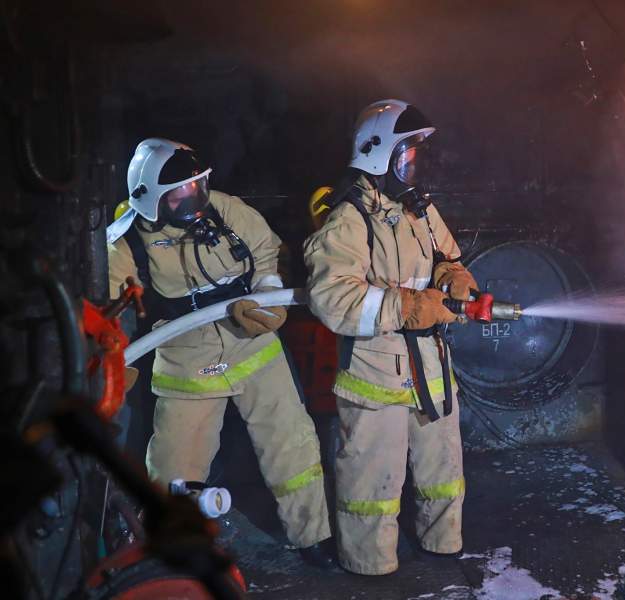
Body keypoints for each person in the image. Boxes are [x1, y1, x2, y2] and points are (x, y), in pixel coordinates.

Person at [106, 138, 337, 569]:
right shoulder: (127, 240)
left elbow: (269, 254)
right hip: (184, 355)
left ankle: (313, 537)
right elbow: (111, 307)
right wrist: (116, 358)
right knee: (175, 462)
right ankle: (172, 550)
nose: (193, 197)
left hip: (252, 342)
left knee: (292, 445)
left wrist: (268, 295)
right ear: (151, 197)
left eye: (197, 186)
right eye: (180, 192)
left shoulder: (227, 210)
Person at [303, 100, 478, 575]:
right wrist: (404, 306)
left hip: (431, 364)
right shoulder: (350, 216)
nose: (416, 166)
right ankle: (369, 564)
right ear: (378, 154)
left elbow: (447, 256)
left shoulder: (418, 208)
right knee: (371, 479)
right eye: (409, 154)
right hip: (375, 371)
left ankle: (442, 542)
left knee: (442, 467)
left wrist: (454, 277)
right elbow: (331, 297)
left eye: (418, 155)